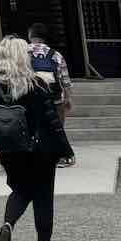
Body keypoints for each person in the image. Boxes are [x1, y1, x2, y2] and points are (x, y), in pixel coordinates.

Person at [0, 36, 67, 241]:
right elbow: (51, 120)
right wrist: (65, 149)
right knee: (43, 195)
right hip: (39, 147)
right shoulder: (35, 83)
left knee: (20, 190)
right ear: (22, 56)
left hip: (9, 146)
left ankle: (8, 222)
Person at [25, 24, 75, 168]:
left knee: (32, 127)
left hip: (31, 99)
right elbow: (65, 79)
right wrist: (68, 98)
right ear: (44, 37)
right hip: (54, 99)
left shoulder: (23, 53)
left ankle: (35, 156)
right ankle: (61, 156)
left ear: (30, 36)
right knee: (57, 127)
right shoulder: (55, 55)